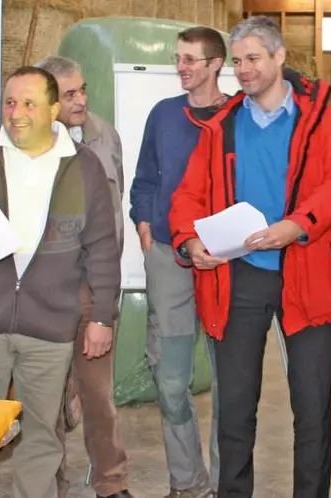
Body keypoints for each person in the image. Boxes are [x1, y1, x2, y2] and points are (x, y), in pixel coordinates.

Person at [169, 15, 331, 498]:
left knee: (312, 407)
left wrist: (298, 225)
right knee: (234, 407)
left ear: (279, 58)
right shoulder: (222, 126)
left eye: (253, 58)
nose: (244, 69)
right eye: (237, 61)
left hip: (306, 272)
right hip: (242, 277)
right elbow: (189, 195)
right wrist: (191, 242)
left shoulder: (320, 118)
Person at [0, 66, 121, 498]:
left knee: (42, 436)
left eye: (29, 103)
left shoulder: (83, 165)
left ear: (54, 109)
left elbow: (103, 249)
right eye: (9, 102)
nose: (16, 114)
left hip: (50, 328)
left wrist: (102, 317)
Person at [129, 25, 227, 498]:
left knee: (232, 383)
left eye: (191, 59)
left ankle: (227, 485)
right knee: (170, 380)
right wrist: (145, 225)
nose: (182, 67)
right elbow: (145, 177)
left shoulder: (239, 115)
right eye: (178, 58)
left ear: (215, 64)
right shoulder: (164, 114)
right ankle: (188, 483)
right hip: (169, 257)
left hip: (228, 260)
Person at [34, 55, 131, 498]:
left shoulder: (104, 135)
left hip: (94, 289)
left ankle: (111, 484)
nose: (80, 100)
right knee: (45, 401)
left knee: (98, 399)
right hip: (43, 295)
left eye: (83, 90)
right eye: (69, 94)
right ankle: (49, 484)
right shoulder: (23, 145)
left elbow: (114, 212)